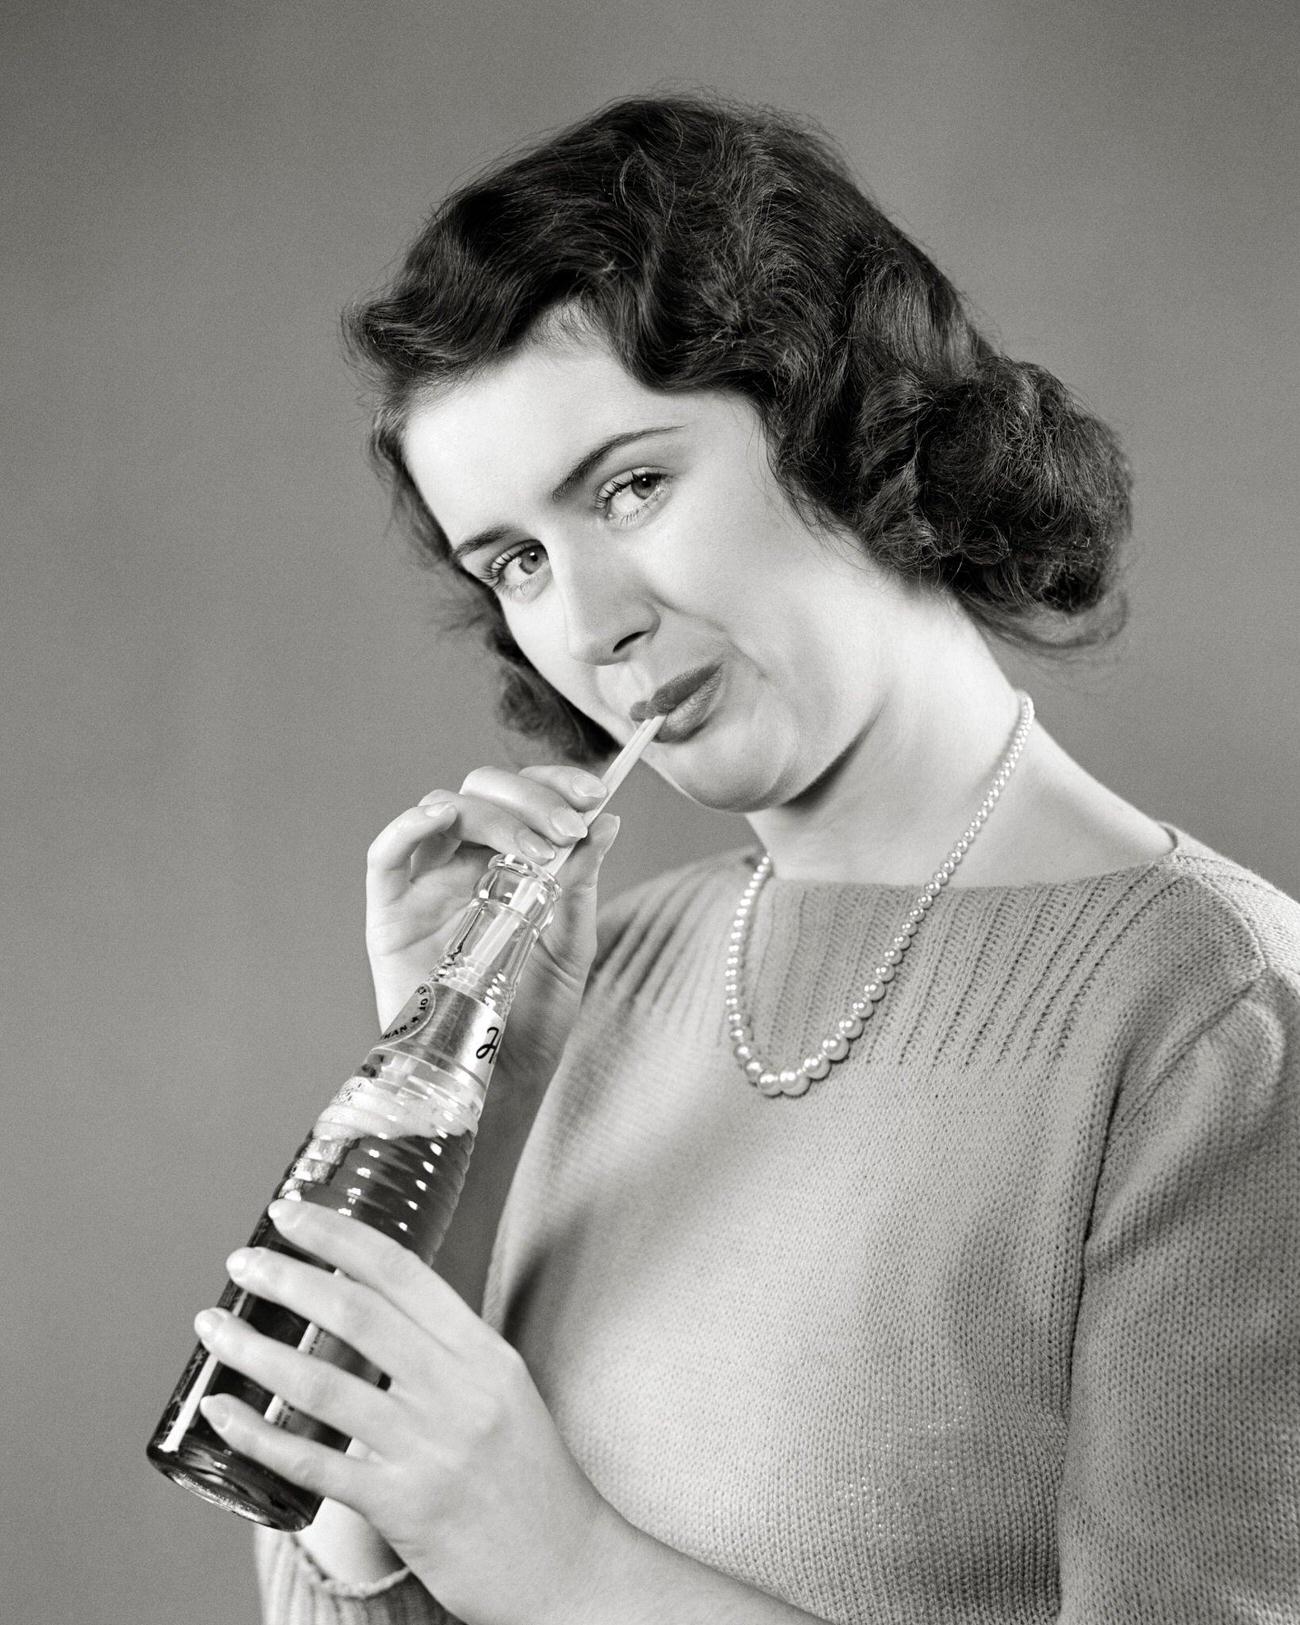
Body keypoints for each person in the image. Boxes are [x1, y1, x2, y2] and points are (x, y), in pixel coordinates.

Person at [190, 94, 1300, 1623]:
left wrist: (561, 1558)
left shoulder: (1212, 1019)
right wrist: (474, 1099)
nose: (587, 624)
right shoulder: (609, 970)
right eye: (512, 560)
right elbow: (341, 1600)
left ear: (842, 416)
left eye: (630, 484)